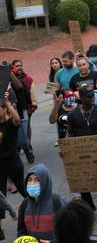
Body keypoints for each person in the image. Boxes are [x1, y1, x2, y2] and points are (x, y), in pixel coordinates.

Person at [63, 85, 97, 220]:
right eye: (89, 97)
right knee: (84, 182)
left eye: (93, 96)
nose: (92, 98)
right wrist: (66, 147)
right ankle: (90, 206)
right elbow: (70, 132)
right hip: (82, 152)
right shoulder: (73, 115)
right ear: (82, 98)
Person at [0, 89, 27, 240]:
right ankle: (0, 229)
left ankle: (39, 211)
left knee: (24, 189)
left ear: (4, 111)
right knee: (0, 196)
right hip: (0, 165)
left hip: (13, 162)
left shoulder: (10, 124)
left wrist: (8, 104)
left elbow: (17, 120)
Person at [17, 164, 68, 242]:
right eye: (29, 180)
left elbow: (69, 232)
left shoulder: (57, 202)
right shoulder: (25, 204)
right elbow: (21, 230)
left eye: (37, 180)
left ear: (45, 181)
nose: (32, 183)